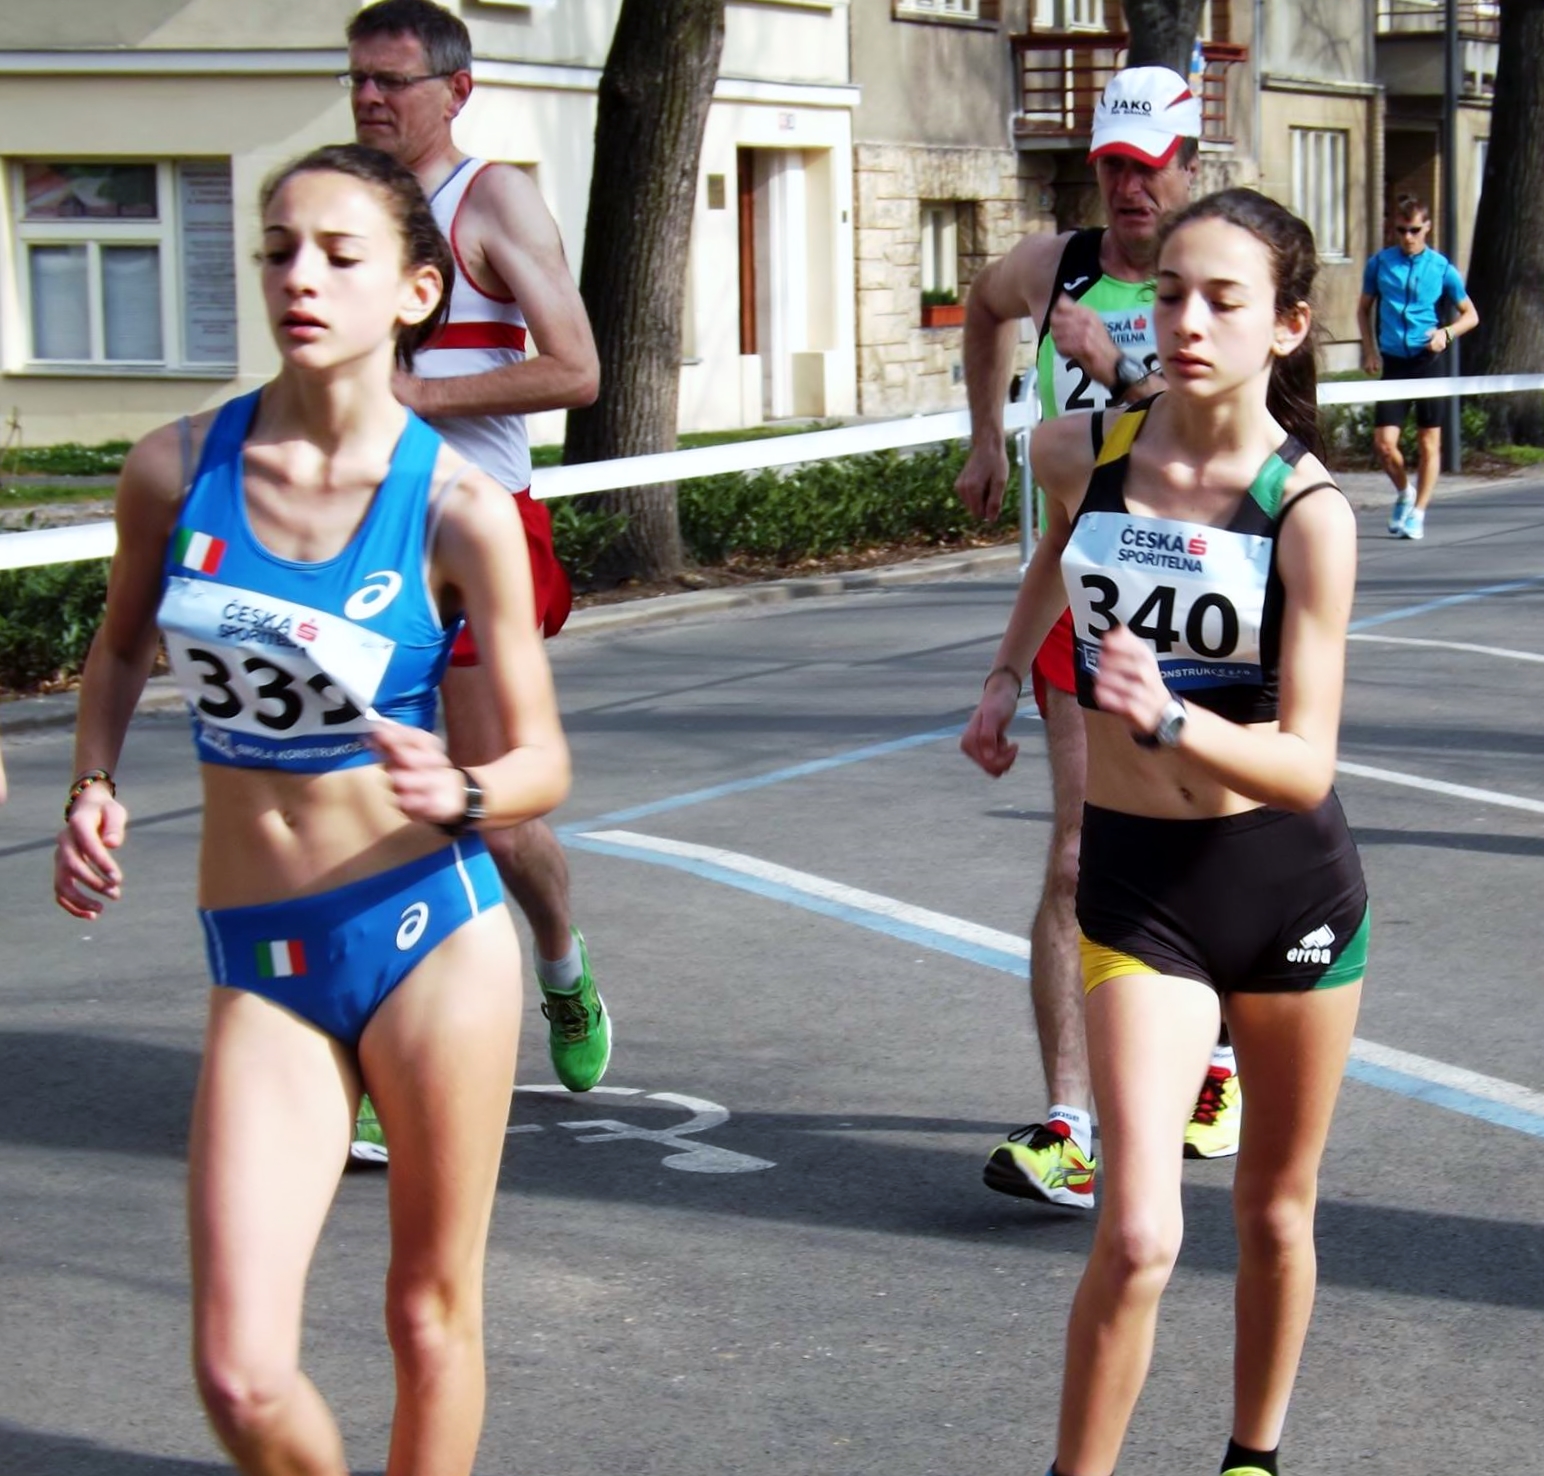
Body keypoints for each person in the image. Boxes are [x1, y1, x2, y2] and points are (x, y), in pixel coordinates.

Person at [53, 143, 569, 1475]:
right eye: (280, 250)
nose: (300, 278)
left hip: (426, 933)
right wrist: (94, 781)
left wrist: (462, 787)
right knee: (239, 1372)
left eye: (341, 256)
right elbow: (120, 648)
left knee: (426, 1312)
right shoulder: (175, 469)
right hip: (262, 957)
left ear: (414, 292)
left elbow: (541, 765)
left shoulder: (457, 507)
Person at [963, 187, 1367, 1476]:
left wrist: (1168, 719)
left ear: (1285, 326)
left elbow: (1304, 764)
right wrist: (1001, 675)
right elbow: (1057, 551)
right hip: (1140, 893)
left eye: (1221, 301)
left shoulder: (1305, 514)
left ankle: (1250, 1458)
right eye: (1171, 295)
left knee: (1273, 1212)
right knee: (1137, 1236)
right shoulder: (1082, 451)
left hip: (1284, 889)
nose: (1185, 322)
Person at [955, 66, 1242, 1209]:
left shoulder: (1221, 278)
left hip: (1204, 607)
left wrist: (1113, 367)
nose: (1128, 187)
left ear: (1188, 165)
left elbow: (1230, 432)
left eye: (1149, 166)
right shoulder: (1053, 268)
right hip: (1084, 598)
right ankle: (1069, 1125)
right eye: (1113, 165)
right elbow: (981, 307)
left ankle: (1214, 1046)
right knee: (1077, 854)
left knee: (1208, 841)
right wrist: (984, 435)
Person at [345, 0, 605, 1146]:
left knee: (486, 811)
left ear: (455, 91)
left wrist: (421, 395)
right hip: (366, 538)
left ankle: (558, 959)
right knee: (369, 803)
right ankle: (374, 1058)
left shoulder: (489, 201)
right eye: (357, 79)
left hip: (480, 532)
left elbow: (577, 369)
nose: (370, 99)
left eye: (392, 81)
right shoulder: (348, 208)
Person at [1356, 194, 1479, 541]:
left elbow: (1471, 315)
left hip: (1428, 362)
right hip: (1394, 363)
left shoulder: (1441, 268)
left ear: (1427, 228)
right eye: (1401, 230)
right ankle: (1404, 492)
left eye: (1414, 230)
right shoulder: (1380, 264)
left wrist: (1446, 334)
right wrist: (1370, 350)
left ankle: (1419, 512)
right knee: (1384, 444)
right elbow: (1363, 309)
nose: (1407, 237)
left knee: (1429, 442)